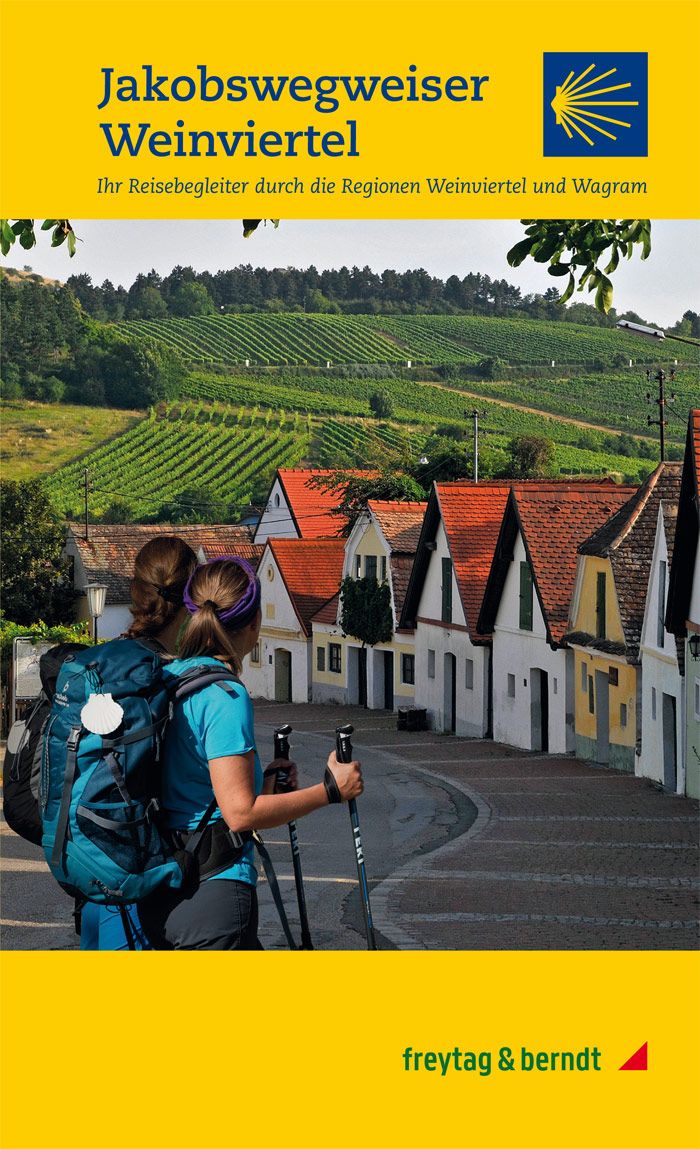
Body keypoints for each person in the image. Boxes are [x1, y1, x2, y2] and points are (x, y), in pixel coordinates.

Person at [139, 555, 363, 950]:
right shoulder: (224, 695)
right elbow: (240, 813)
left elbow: (192, 784)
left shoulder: (169, 678)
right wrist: (330, 790)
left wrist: (263, 783)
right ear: (255, 623)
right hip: (212, 891)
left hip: (162, 889)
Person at [79, 535, 198, 951]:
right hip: (136, 879)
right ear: (190, 596)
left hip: (92, 875)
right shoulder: (165, 678)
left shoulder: (105, 662)